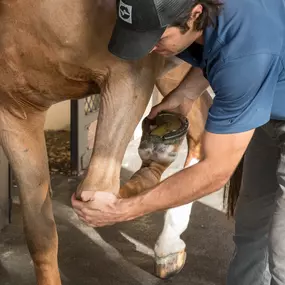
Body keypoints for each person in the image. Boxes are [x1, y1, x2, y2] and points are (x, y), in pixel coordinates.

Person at [71, 0, 285, 284]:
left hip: (265, 88)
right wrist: (183, 96)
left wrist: (123, 210)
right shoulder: (212, 17)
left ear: (195, 14)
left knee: (281, 249)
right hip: (266, 102)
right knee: (250, 228)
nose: (148, 49)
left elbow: (215, 171)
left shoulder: (246, 52)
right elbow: (220, 48)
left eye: (157, 38)